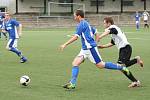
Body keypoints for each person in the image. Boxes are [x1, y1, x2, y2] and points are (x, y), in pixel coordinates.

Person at [60, 9, 130, 89]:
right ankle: (72, 84)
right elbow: (96, 32)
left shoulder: (81, 24)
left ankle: (121, 67)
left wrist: (65, 44)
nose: (74, 18)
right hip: (84, 49)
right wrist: (96, 42)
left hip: (90, 49)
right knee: (75, 63)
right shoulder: (86, 23)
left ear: (78, 16)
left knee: (101, 65)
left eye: (75, 16)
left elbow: (76, 37)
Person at [97, 17, 143, 88]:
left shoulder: (113, 27)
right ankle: (136, 60)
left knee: (120, 66)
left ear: (109, 23)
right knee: (122, 66)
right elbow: (112, 43)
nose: (103, 25)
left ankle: (135, 82)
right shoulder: (114, 32)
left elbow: (108, 31)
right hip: (124, 49)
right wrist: (103, 46)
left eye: (104, 23)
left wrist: (99, 37)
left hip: (125, 48)